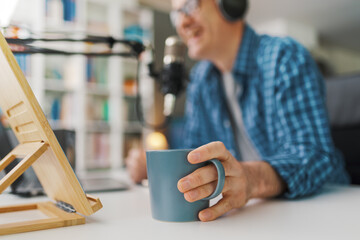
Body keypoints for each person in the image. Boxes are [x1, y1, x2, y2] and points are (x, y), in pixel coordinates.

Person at [126, 0, 349, 222]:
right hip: (252, 216)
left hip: (323, 210)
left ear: (230, 4)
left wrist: (251, 179)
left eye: (190, 6)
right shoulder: (201, 80)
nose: (182, 22)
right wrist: (164, 172)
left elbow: (315, 156)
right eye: (176, 15)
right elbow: (196, 157)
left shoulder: (284, 58)